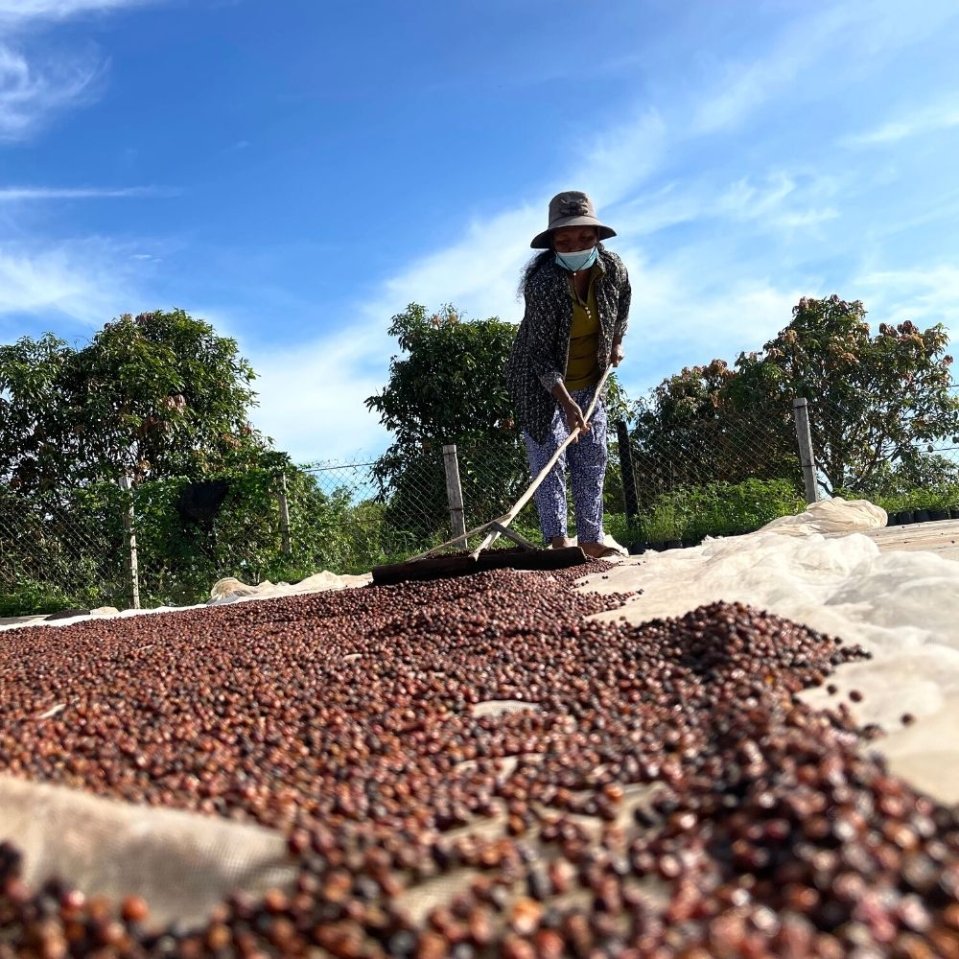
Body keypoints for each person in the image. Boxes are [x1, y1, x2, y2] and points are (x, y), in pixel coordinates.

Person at [505, 190, 631, 558]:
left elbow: (622, 307)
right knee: (550, 461)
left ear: (598, 238)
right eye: (565, 241)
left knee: (592, 456)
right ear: (552, 245)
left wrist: (616, 343)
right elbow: (540, 354)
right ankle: (558, 542)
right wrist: (565, 403)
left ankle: (591, 539)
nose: (576, 246)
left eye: (585, 237)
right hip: (540, 385)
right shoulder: (543, 284)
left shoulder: (613, 269)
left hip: (590, 378)